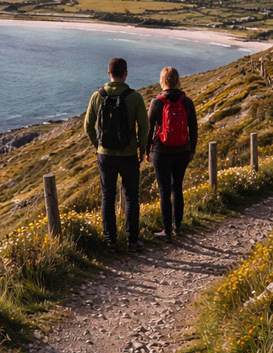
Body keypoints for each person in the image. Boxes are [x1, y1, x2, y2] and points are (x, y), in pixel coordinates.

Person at [84, 57, 150, 250]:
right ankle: (132, 240)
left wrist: (98, 146)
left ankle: (110, 241)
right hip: (128, 154)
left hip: (105, 155)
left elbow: (87, 126)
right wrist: (142, 150)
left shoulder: (97, 96)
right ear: (126, 74)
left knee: (107, 196)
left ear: (109, 74)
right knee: (131, 197)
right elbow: (144, 128)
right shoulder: (135, 97)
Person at [147, 66, 198, 239]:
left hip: (161, 151)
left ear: (163, 81)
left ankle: (166, 230)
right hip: (182, 151)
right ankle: (178, 226)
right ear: (177, 80)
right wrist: (192, 150)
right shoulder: (187, 102)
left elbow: (148, 129)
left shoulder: (157, 102)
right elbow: (194, 128)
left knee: (164, 191)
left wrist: (146, 151)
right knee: (177, 188)